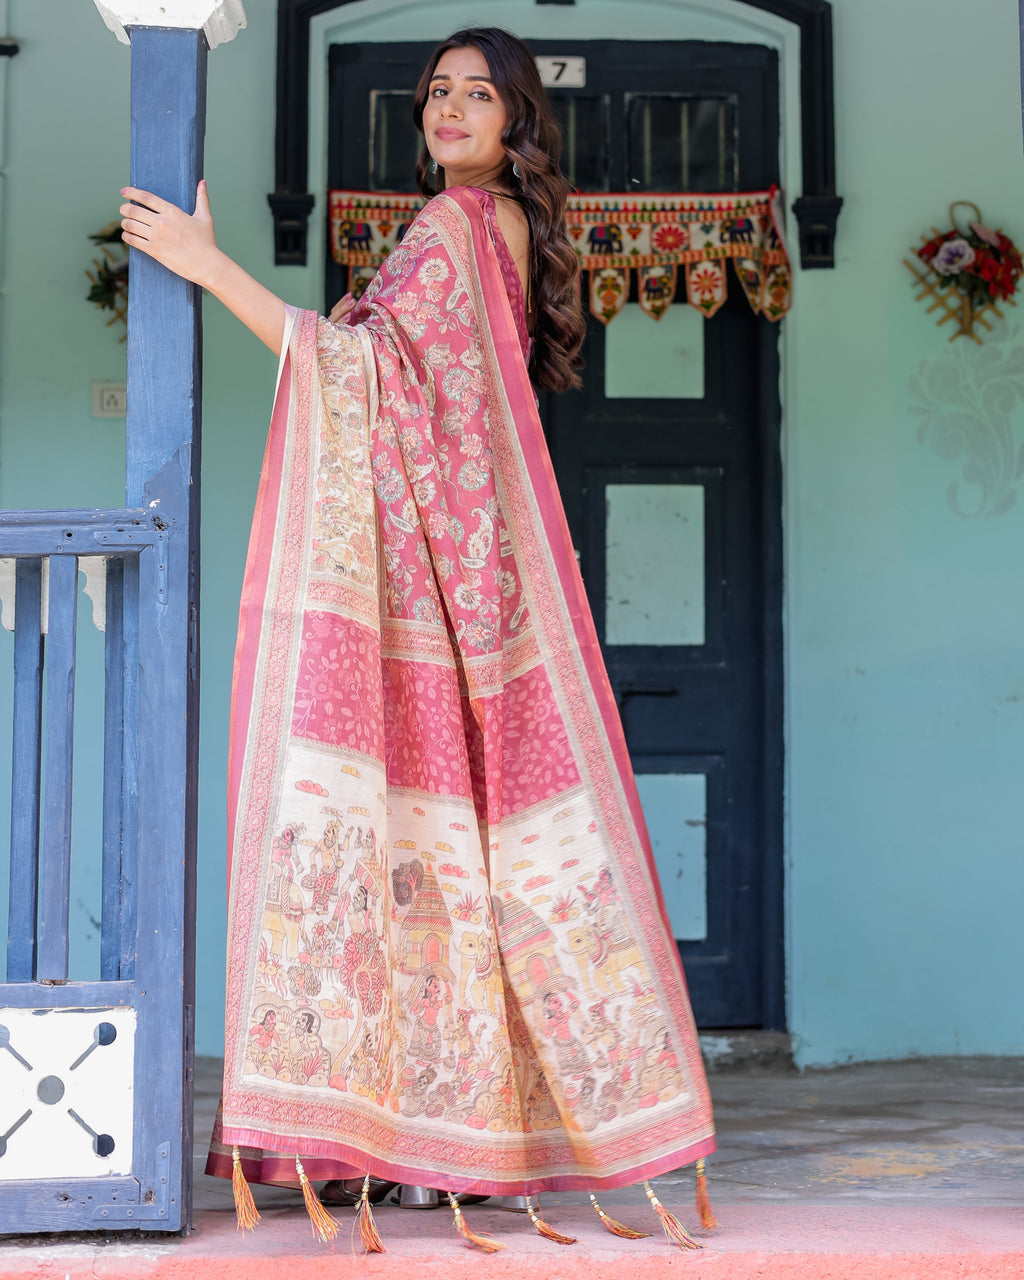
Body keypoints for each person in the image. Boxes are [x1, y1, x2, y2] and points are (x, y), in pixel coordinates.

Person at [120, 25, 714, 1247]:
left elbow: (358, 375)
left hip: (442, 584)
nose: (448, 108)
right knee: (463, 843)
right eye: (436, 90)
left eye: (476, 94)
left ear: (516, 120)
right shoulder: (484, 226)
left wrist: (205, 264)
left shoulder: (456, 226)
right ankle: (449, 1134)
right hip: (466, 571)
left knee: (421, 834)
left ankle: (423, 1132)